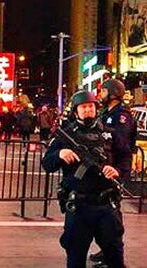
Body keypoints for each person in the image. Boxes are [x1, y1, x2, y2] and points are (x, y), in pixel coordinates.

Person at [42, 90, 126, 268]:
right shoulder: (66, 135)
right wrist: (59, 154)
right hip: (79, 205)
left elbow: (126, 157)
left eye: (91, 106)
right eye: (83, 107)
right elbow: (47, 164)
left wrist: (117, 170)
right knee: (75, 255)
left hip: (106, 204)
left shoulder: (110, 134)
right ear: (76, 111)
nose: (88, 110)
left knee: (114, 254)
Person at [90, 78, 136, 265]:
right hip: (104, 168)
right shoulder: (107, 113)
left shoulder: (121, 116)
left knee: (113, 216)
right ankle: (106, 249)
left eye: (103, 91)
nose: (100, 95)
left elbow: (120, 144)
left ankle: (115, 256)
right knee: (104, 215)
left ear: (113, 93)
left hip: (115, 170)